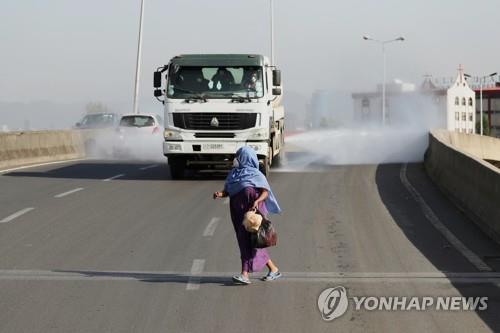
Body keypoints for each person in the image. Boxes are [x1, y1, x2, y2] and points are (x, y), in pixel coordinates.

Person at [213, 146, 282, 285]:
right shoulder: (234, 174)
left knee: (248, 241)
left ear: (246, 158)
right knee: (251, 242)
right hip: (238, 214)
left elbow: (265, 192)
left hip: (253, 215)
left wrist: (257, 200)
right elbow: (228, 190)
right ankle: (274, 269)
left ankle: (244, 275)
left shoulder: (256, 174)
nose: (236, 159)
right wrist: (220, 194)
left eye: (239, 156)